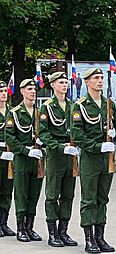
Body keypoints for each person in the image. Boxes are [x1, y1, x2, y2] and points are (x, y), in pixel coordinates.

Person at [72, 68, 116, 253]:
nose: (100, 81)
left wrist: (114, 134)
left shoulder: (108, 104)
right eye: (96, 78)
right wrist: (97, 146)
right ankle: (89, 239)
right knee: (89, 199)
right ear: (87, 82)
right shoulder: (80, 106)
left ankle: (100, 237)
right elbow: (77, 134)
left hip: (107, 159)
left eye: (101, 78)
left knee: (103, 198)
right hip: (90, 158)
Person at [39, 72, 78, 247]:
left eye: (66, 82)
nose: (64, 85)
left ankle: (64, 231)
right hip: (55, 154)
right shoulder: (47, 107)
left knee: (68, 194)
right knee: (52, 195)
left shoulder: (73, 106)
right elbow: (43, 133)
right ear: (53, 85)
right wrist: (61, 147)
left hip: (71, 155)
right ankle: (52, 233)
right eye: (61, 82)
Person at [5, 79, 44, 242]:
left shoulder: (39, 112)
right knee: (21, 194)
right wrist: (26, 151)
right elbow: (10, 138)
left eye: (34, 89)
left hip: (37, 159)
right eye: (29, 89)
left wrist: (43, 143)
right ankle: (21, 228)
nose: (33, 92)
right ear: (22, 91)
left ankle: (30, 227)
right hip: (22, 158)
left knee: (34, 194)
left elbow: (46, 131)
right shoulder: (14, 113)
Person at [0, 81, 15, 238]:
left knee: (6, 191)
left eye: (5, 91)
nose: (4, 93)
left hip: (10, 155)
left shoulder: (11, 112)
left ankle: (3, 223)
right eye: (1, 91)